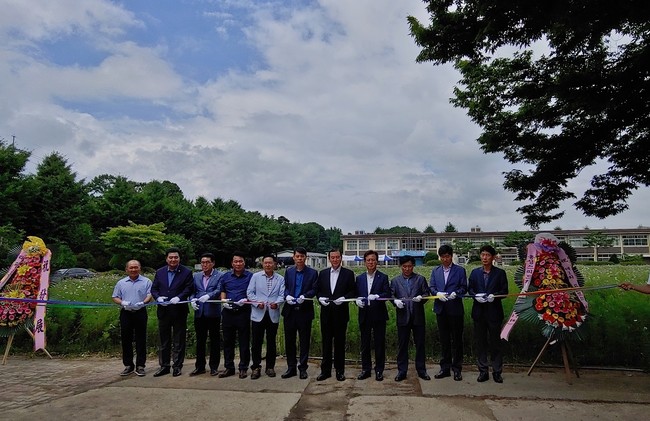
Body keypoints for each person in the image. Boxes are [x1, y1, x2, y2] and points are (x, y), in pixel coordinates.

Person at [468, 244, 509, 383]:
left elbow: (505, 291)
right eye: (483, 255)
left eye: (487, 255)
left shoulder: (500, 273)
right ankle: (483, 371)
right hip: (479, 312)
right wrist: (475, 295)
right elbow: (470, 289)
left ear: (493, 257)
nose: (484, 257)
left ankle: (497, 371)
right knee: (481, 342)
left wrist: (495, 296)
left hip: (494, 312)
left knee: (495, 343)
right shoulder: (475, 273)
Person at [151, 247, 194, 377]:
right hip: (163, 310)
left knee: (179, 340)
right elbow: (154, 289)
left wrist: (179, 297)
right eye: (171, 257)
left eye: (176, 257)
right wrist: (158, 298)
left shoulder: (186, 272)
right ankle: (164, 366)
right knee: (164, 340)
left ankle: (177, 366)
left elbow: (189, 288)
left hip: (179, 310)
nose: (173, 259)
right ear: (166, 259)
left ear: (179, 259)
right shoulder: (160, 272)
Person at [315, 248, 356, 381]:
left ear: (341, 258)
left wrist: (344, 298)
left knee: (339, 343)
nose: (335, 259)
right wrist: (320, 298)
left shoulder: (348, 274)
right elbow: (318, 290)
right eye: (333, 257)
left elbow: (353, 291)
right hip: (326, 313)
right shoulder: (323, 273)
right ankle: (325, 371)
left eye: (337, 257)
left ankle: (340, 371)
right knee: (326, 343)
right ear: (329, 258)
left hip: (341, 314)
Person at [429, 245, 468, 381]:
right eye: (442, 257)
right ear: (440, 257)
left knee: (457, 340)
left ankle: (457, 368)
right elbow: (432, 287)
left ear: (451, 256)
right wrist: (437, 293)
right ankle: (445, 368)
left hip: (455, 309)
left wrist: (456, 293)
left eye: (447, 256)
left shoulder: (460, 270)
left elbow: (464, 287)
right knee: (444, 340)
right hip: (441, 309)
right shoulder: (435, 271)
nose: (445, 259)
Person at [391, 255, 431, 382]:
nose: (407, 269)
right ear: (400, 267)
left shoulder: (420, 279)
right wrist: (395, 301)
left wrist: (421, 298)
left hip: (417, 316)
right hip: (403, 316)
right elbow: (391, 295)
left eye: (409, 266)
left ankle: (421, 370)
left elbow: (426, 293)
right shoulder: (395, 281)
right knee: (402, 345)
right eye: (404, 266)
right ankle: (402, 371)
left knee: (420, 344)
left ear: (413, 266)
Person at [281, 247, 318, 379]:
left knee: (304, 341)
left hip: (304, 311)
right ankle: (291, 367)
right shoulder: (289, 271)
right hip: (290, 311)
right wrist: (287, 296)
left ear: (305, 257)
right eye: (297, 256)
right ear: (294, 257)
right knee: (289, 341)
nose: (299, 259)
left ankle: (303, 368)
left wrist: (305, 296)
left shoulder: (313, 273)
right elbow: (285, 287)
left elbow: (314, 289)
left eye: (302, 256)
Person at [354, 250, 391, 381]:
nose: (371, 262)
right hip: (364, 314)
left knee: (379, 343)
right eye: (368, 260)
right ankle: (366, 369)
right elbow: (355, 294)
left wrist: (377, 296)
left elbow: (387, 293)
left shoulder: (383, 277)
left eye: (373, 260)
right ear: (365, 262)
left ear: (377, 261)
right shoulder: (359, 278)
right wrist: (356, 301)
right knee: (365, 343)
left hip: (379, 314)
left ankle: (379, 369)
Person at [247, 254, 285, 379]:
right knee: (256, 342)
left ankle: (270, 367)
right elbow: (250, 292)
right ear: (262, 264)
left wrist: (277, 303)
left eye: (270, 263)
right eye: (265, 263)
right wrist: (257, 303)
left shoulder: (280, 278)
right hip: (258, 313)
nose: (268, 265)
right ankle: (256, 367)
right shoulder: (256, 276)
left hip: (272, 313)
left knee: (271, 342)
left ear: (275, 264)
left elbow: (282, 294)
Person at [112, 260, 152, 377]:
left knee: (141, 339)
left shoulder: (146, 281)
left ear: (140, 268)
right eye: (131, 268)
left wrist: (143, 302)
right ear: (126, 270)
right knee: (126, 339)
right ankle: (128, 365)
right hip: (126, 313)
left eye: (136, 267)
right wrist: (122, 302)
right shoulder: (121, 283)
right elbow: (115, 297)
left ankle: (140, 365)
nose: (133, 270)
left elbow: (150, 294)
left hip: (140, 312)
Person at [219, 252, 254, 379]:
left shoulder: (251, 276)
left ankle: (243, 368)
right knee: (228, 341)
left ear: (244, 262)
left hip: (243, 312)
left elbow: (253, 292)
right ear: (232, 263)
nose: (238, 264)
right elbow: (223, 290)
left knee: (244, 341)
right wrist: (223, 301)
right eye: (235, 261)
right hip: (228, 312)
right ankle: (229, 367)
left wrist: (246, 300)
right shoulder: (226, 276)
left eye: (240, 261)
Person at [189, 252, 224, 376]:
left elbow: (219, 289)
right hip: (200, 312)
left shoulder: (220, 275)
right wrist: (192, 299)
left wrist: (209, 295)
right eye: (202, 262)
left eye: (207, 262)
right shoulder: (196, 276)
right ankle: (200, 366)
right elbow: (192, 291)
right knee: (200, 340)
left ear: (213, 263)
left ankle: (214, 366)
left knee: (214, 340)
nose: (204, 265)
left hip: (213, 312)